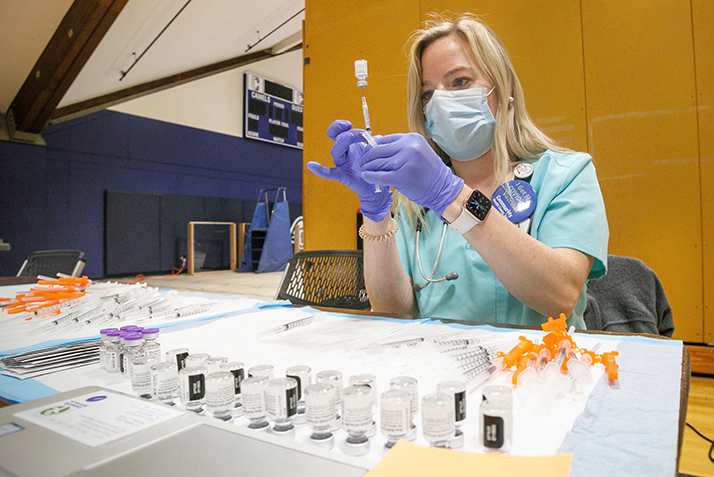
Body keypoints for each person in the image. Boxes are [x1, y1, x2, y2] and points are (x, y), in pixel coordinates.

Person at [307, 14, 608, 328]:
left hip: (539, 370)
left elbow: (560, 295)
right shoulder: (417, 200)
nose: (440, 101)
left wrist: (450, 193)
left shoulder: (566, 174)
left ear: (502, 86)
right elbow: (393, 310)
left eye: (460, 82)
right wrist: (377, 213)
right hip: (440, 370)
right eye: (427, 93)